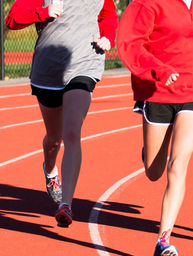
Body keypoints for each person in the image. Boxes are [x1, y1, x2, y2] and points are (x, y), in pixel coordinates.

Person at [117, 0, 193, 256]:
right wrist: (157, 69)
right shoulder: (148, 3)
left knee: (178, 165)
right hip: (157, 90)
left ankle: (163, 238)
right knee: (153, 172)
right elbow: (130, 43)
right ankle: (149, 154)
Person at [5, 0, 118, 227]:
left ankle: (66, 204)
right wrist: (43, 12)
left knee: (72, 132)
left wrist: (108, 36)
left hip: (85, 62)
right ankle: (49, 169)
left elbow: (108, 15)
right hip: (48, 70)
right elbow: (12, 19)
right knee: (54, 139)